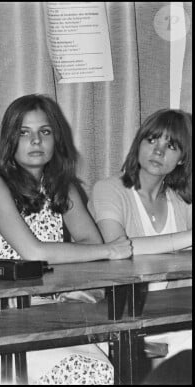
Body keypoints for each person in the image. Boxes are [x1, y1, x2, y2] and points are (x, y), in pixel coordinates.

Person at [0, 94, 133, 384]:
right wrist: (108, 250)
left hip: (47, 309)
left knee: (104, 368)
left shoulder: (62, 187)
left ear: (56, 139)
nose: (36, 141)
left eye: (44, 132)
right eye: (24, 132)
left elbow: (89, 244)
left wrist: (92, 256)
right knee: (84, 370)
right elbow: (33, 252)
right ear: (10, 140)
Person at [89, 108, 192, 371]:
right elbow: (118, 247)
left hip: (174, 311)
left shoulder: (182, 200)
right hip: (122, 313)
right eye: (152, 140)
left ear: (182, 158)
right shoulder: (109, 190)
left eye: (171, 145)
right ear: (139, 143)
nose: (158, 151)